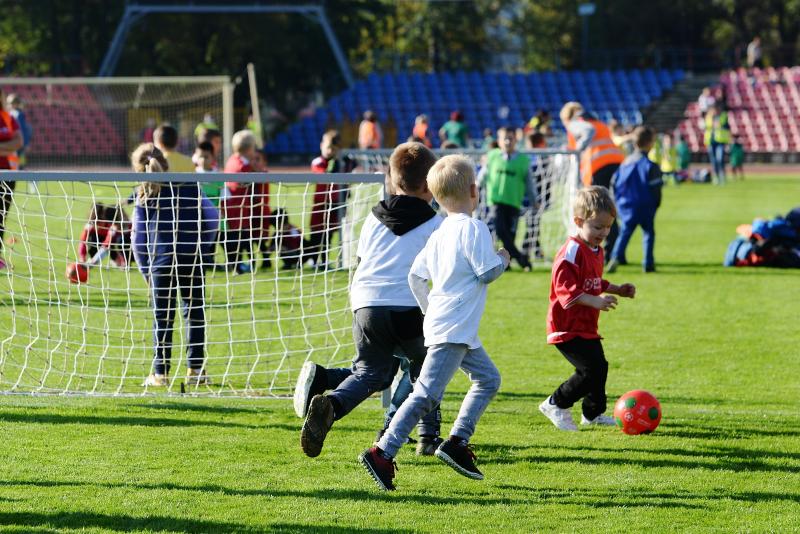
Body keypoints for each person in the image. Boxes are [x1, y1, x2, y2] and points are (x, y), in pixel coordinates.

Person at [359, 154, 509, 492]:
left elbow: (416, 276)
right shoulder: (472, 227)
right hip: (454, 327)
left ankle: (456, 442)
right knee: (426, 394)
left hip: (449, 324)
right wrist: (502, 258)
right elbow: (486, 272)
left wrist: (431, 310)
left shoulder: (440, 230)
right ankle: (382, 452)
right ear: (474, 190)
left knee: (488, 379)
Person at [298, 142, 444, 459]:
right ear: (430, 185)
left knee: (370, 374)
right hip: (410, 304)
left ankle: (332, 405)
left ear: (391, 179)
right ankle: (427, 436)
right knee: (428, 369)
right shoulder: (436, 224)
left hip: (366, 304)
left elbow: (362, 259)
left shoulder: (373, 219)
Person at [539, 186, 636, 431]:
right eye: (597, 227)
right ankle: (556, 403)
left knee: (599, 367)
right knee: (589, 369)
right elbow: (565, 290)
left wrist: (617, 289)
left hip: (586, 325)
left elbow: (594, 281)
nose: (603, 232)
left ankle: (592, 414)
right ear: (579, 222)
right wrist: (596, 301)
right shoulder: (571, 251)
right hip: (566, 326)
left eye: (607, 227)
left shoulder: (596, 250)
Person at [130, 143, 208, 387]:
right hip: (191, 257)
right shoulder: (191, 187)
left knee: (161, 317)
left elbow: (137, 239)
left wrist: (146, 271)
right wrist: (202, 247)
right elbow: (212, 218)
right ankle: (196, 371)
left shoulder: (143, 194)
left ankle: (159, 373)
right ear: (165, 162)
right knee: (194, 313)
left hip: (160, 261)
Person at [560, 102, 625, 259]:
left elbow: (588, 133)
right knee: (611, 209)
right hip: (617, 163)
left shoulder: (576, 122)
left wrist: (578, 149)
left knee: (598, 210)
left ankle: (605, 251)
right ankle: (616, 252)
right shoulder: (598, 121)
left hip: (599, 166)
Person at [607, 127, 664, 273]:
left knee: (624, 233)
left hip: (627, 206)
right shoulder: (651, 166)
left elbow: (614, 184)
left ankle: (614, 258)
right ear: (650, 143)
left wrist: (617, 203)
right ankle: (648, 264)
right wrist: (656, 203)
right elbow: (656, 188)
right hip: (646, 206)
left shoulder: (625, 163)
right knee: (648, 234)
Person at [478, 126, 533, 270]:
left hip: (514, 202)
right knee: (500, 230)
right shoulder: (492, 156)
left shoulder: (523, 160)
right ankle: (522, 259)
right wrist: (476, 187)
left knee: (510, 234)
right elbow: (483, 175)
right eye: (505, 139)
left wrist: (534, 201)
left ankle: (505, 263)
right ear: (499, 141)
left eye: (511, 138)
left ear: (516, 139)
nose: (508, 141)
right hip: (496, 201)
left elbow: (529, 183)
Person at [308, 130, 354, 269]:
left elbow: (350, 169)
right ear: (321, 145)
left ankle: (325, 260)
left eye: (333, 149)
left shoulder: (341, 162)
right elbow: (323, 175)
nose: (329, 151)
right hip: (321, 203)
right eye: (327, 147)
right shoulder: (319, 162)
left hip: (336, 203)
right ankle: (314, 260)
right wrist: (334, 166)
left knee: (330, 233)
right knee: (317, 233)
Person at [223, 130, 258, 274]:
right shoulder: (244, 167)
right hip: (239, 208)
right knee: (241, 237)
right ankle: (240, 266)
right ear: (250, 149)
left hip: (231, 205)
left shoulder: (231, 160)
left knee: (237, 237)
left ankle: (239, 265)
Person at [0, 88, 23, 271]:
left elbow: (18, 142)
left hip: (8, 175)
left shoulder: (8, 118)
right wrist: (6, 147)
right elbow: (11, 144)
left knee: (1, 217)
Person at [194, 141, 222, 270]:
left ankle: (209, 261)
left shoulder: (218, 176)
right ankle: (200, 261)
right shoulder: (193, 175)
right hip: (196, 216)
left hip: (213, 217)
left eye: (206, 156)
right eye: (200, 156)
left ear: (213, 158)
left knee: (212, 240)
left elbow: (225, 197)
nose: (203, 160)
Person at [78, 203, 131, 269]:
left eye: (99, 222)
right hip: (107, 241)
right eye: (95, 222)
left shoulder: (113, 227)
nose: (98, 225)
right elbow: (83, 241)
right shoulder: (90, 226)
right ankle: (118, 261)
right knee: (94, 239)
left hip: (127, 243)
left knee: (118, 241)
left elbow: (107, 244)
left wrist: (94, 261)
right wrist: (82, 257)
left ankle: (123, 261)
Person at [251, 150, 272, 270]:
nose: (254, 162)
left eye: (258, 159)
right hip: (252, 212)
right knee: (251, 237)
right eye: (252, 159)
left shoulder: (264, 175)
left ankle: (266, 259)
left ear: (264, 162)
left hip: (262, 211)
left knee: (261, 238)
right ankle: (255, 261)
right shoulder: (247, 173)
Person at [704, 102, 730, 185]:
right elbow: (706, 127)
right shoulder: (708, 117)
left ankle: (722, 176)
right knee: (714, 161)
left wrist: (720, 125)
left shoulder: (723, 117)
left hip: (720, 141)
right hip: (711, 142)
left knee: (720, 159)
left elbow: (727, 127)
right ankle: (716, 177)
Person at [5, 94, 32, 170]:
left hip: (16, 142)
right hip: (13, 141)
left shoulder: (18, 114)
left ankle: (23, 173)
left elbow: (23, 130)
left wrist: (25, 143)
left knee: (19, 161)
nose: (8, 105)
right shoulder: (10, 114)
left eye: (10, 103)